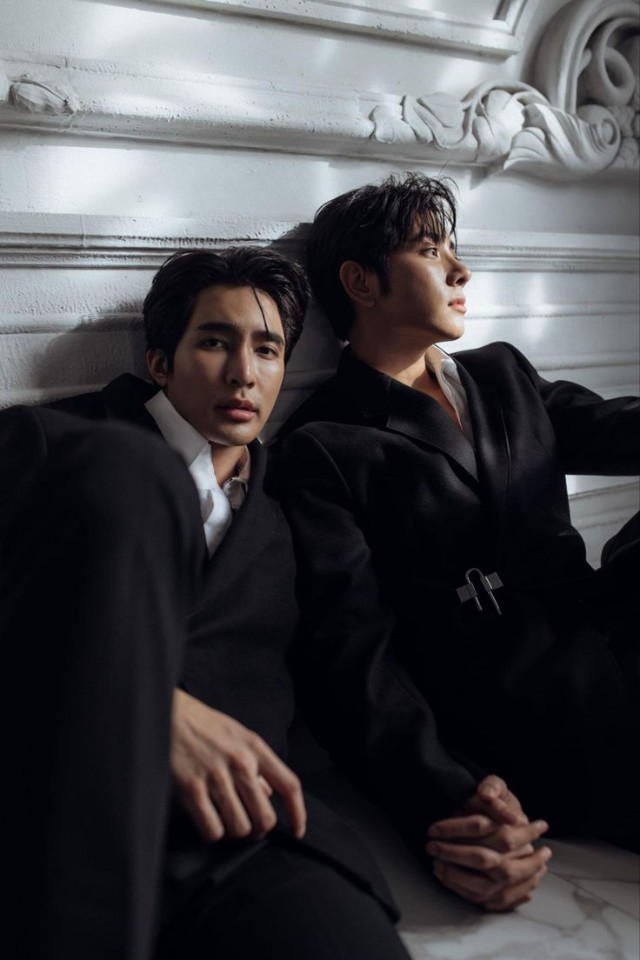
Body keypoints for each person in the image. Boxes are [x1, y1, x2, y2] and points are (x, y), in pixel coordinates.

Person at [0, 247, 414, 960]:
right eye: (216, 342)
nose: (243, 373)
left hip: (244, 840)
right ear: (160, 362)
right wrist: (144, 705)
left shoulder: (297, 509)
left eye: (268, 350)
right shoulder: (58, 444)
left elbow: (358, 672)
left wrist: (454, 803)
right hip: (57, 807)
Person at [273, 173, 640, 910]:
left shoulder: (501, 373)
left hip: (612, 634)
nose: (460, 269)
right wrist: (443, 798)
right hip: (527, 714)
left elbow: (614, 429)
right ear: (360, 282)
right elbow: (351, 653)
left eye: (454, 248)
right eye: (429, 250)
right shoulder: (325, 445)